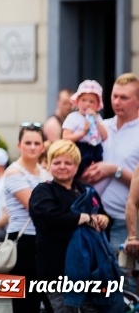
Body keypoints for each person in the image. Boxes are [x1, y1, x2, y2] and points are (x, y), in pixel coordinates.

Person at [30, 140, 120, 312]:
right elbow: (50, 219)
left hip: (91, 271)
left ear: (77, 166)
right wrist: (84, 218)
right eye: (57, 162)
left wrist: (103, 219)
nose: (62, 166)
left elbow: (103, 215)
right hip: (56, 271)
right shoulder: (43, 191)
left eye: (68, 163)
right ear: (48, 165)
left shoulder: (87, 190)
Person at [89, 73, 139, 292]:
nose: (117, 102)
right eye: (114, 96)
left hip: (125, 221)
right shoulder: (102, 128)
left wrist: (114, 171)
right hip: (95, 218)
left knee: (126, 281)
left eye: (124, 97)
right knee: (99, 283)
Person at [2, 122, 52, 313]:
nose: (32, 147)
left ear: (42, 146)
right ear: (18, 145)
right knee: (25, 304)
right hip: (23, 242)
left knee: (49, 301)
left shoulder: (46, 173)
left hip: (44, 242)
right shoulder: (14, 172)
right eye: (27, 142)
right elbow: (36, 207)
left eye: (36, 143)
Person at [62, 80, 107, 177]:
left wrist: (96, 121)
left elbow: (104, 136)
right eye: (84, 100)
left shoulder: (97, 117)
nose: (87, 104)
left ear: (97, 105)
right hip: (80, 147)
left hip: (95, 148)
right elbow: (65, 137)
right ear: (77, 101)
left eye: (92, 101)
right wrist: (83, 133)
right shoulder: (73, 117)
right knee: (79, 171)